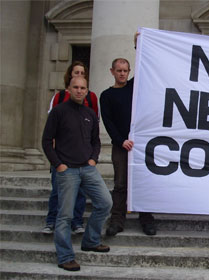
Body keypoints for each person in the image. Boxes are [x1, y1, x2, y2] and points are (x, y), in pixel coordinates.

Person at [42, 77, 112, 271]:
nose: (79, 91)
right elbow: (47, 141)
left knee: (105, 203)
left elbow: (96, 141)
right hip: (67, 171)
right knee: (65, 215)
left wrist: (93, 159)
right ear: (68, 89)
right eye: (76, 87)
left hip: (87, 168)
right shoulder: (58, 112)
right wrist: (58, 165)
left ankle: (91, 240)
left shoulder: (90, 113)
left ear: (87, 90)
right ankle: (65, 256)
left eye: (83, 88)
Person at [100, 58, 156, 236]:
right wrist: (120, 140)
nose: (122, 73)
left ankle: (146, 218)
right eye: (119, 70)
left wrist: (137, 44)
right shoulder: (106, 96)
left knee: (142, 182)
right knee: (120, 184)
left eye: (125, 70)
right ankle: (117, 220)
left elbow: (143, 63)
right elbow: (108, 123)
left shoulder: (133, 88)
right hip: (120, 146)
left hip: (139, 146)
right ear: (112, 72)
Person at [42, 61, 99, 235]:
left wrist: (92, 159)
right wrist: (57, 162)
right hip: (62, 160)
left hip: (83, 161)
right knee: (57, 193)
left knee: (81, 194)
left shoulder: (90, 102)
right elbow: (48, 136)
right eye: (76, 73)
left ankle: (77, 221)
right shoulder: (59, 102)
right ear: (69, 79)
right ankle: (51, 221)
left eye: (82, 73)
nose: (79, 75)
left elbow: (95, 136)